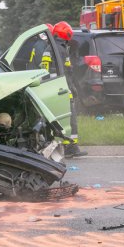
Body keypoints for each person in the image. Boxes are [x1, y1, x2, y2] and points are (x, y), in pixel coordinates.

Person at [42, 21, 87, 158]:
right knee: (71, 117)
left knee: (59, 119)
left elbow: (46, 71)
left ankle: (62, 144)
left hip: (52, 88)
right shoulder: (60, 49)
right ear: (66, 34)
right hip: (62, 88)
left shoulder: (50, 48)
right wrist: (72, 89)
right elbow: (68, 72)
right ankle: (71, 147)